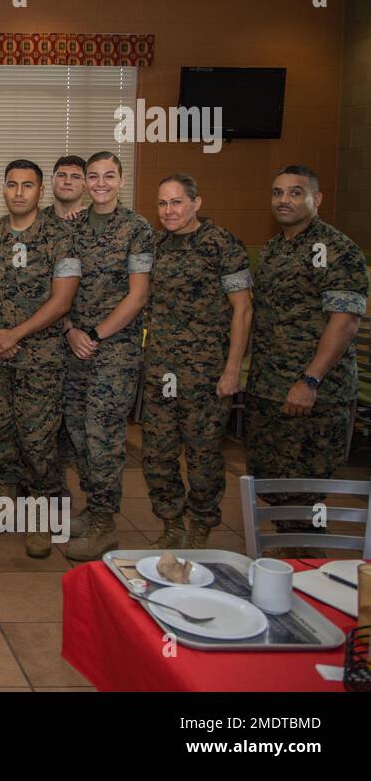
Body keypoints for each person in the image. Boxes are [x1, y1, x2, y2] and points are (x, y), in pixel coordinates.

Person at [245, 165, 367, 557]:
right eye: (278, 192)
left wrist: (310, 381)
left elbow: (345, 320)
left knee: (306, 487)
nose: (284, 200)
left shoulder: (336, 249)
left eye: (296, 193)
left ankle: (310, 564)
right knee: (274, 480)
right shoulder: (275, 248)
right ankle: (289, 558)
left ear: (317, 199)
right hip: (269, 387)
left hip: (315, 394)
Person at [0, 160, 79, 558]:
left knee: (37, 440)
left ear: (40, 190)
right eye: (11, 185)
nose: (17, 193)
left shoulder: (60, 237)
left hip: (40, 356)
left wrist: (16, 333)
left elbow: (63, 299)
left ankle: (40, 519)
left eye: (26, 186)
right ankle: (0, 509)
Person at [142, 174, 252, 549]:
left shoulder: (221, 244)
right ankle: (170, 524)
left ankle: (200, 525)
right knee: (157, 455)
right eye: (162, 203)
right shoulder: (156, 244)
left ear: (196, 203)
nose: (169, 211)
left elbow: (243, 309)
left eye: (176, 202)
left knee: (203, 457)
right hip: (161, 371)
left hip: (206, 374)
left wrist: (233, 369)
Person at [61, 151, 154, 561]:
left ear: (120, 180)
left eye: (108, 176)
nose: (100, 183)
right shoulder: (72, 228)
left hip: (113, 350)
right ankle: (92, 505)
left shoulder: (138, 229)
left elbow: (139, 294)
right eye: (93, 176)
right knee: (78, 429)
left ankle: (105, 525)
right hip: (73, 343)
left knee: (104, 437)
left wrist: (95, 334)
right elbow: (59, 289)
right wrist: (70, 331)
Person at [50, 155, 87, 220]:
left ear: (86, 184)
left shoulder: (96, 222)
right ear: (52, 180)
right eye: (61, 175)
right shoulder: (34, 221)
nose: (67, 181)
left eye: (75, 177)